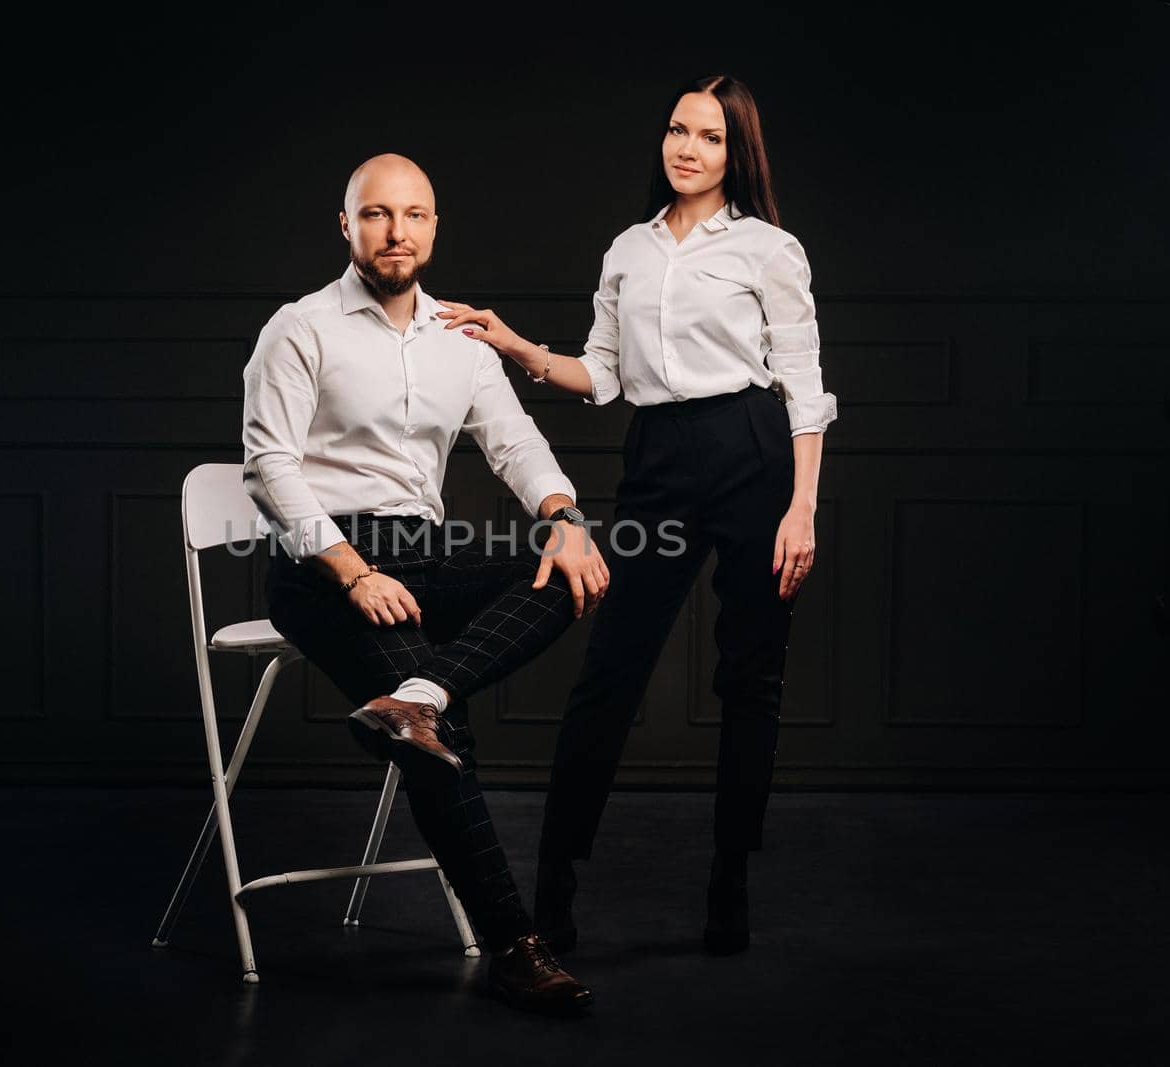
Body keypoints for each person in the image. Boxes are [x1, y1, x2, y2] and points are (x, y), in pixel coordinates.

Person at [435, 74, 836, 956]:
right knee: (609, 673)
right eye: (677, 130)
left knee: (750, 681)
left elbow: (804, 388)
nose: (687, 148)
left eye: (710, 137)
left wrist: (801, 507)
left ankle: (730, 878)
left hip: (755, 456)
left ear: (738, 153)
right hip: (657, 461)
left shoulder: (770, 249)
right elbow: (604, 375)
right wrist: (515, 345)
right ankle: (554, 887)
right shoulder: (628, 249)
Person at [242, 153, 611, 1015]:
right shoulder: (299, 328)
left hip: (423, 554)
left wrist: (564, 511)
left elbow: (515, 444)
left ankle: (419, 692)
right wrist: (352, 570)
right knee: (438, 744)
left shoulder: (458, 337)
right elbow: (269, 467)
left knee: (569, 565)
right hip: (325, 566)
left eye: (413, 215)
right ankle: (517, 949)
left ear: (435, 226)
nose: (396, 231)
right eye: (376, 214)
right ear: (346, 225)